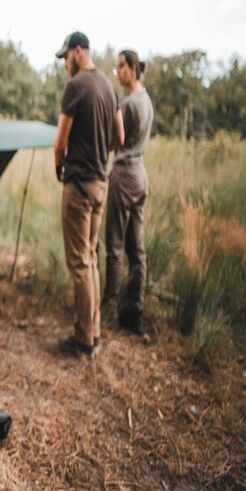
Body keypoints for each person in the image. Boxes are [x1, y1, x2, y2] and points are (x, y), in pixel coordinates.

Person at [53, 31, 124, 358]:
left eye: (66, 56)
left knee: (80, 263)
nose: (65, 62)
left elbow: (60, 141)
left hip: (79, 186)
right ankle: (93, 333)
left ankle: (84, 340)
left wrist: (60, 166)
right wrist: (100, 153)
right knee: (91, 258)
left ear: (78, 51)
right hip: (101, 184)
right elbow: (119, 137)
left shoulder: (77, 86)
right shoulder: (110, 87)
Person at [103, 50, 154, 335]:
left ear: (133, 68)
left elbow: (115, 140)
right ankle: (134, 313)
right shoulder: (147, 101)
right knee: (138, 250)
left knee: (114, 247)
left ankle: (108, 311)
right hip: (141, 175)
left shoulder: (129, 103)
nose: (117, 72)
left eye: (120, 66)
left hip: (123, 176)